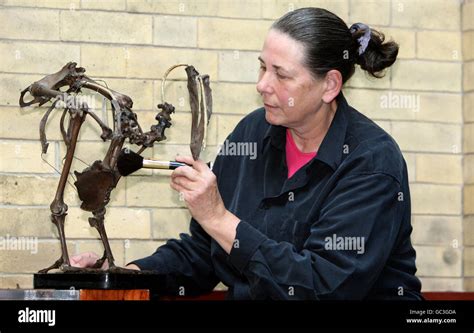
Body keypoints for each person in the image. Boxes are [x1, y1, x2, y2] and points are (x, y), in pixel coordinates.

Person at [72, 7, 422, 300]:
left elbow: (322, 287)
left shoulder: (372, 162)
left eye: (281, 74)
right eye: (262, 67)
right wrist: (122, 277)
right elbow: (204, 252)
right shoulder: (253, 135)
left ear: (329, 85)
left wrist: (220, 218)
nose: (262, 85)